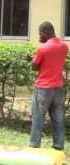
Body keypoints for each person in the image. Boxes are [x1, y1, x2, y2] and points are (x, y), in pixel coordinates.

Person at [29, 21, 68, 150]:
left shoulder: (42, 48)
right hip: (57, 87)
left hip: (43, 88)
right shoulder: (64, 46)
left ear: (45, 32)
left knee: (38, 118)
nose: (39, 36)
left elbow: (34, 67)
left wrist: (41, 46)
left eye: (40, 34)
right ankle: (58, 145)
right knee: (58, 118)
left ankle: (35, 146)